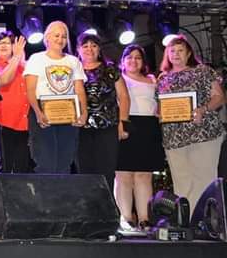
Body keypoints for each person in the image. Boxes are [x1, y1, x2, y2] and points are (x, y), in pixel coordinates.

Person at [156, 36, 225, 216]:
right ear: (167, 55)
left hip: (204, 133)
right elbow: (159, 105)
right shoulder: (163, 78)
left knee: (204, 179)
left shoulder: (203, 71)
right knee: (181, 182)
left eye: (180, 50)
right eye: (172, 51)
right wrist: (160, 112)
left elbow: (219, 97)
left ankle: (207, 220)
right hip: (173, 138)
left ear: (188, 53)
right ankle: (186, 221)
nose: (176, 54)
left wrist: (203, 109)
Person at [24, 21, 87, 174]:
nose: (60, 39)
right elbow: (30, 89)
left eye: (64, 36)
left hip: (68, 113)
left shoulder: (73, 61)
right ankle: (45, 191)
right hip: (43, 112)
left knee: (65, 161)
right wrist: (38, 112)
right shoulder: (36, 59)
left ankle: (62, 190)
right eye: (56, 36)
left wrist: (84, 112)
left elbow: (79, 89)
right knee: (45, 161)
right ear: (47, 38)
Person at [115, 44, 164, 229]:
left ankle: (144, 219)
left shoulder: (152, 79)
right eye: (129, 57)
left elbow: (160, 103)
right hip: (126, 124)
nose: (133, 61)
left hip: (148, 127)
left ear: (143, 62)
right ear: (123, 61)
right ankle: (126, 218)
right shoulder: (118, 78)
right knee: (123, 175)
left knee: (144, 175)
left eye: (137, 57)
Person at [76, 32, 130, 191]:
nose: (89, 49)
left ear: (99, 49)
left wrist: (123, 122)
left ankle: (106, 205)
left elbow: (124, 97)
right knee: (84, 172)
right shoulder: (73, 70)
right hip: (80, 129)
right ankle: (87, 205)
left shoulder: (110, 69)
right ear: (78, 49)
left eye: (94, 46)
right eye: (85, 46)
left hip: (108, 127)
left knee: (106, 171)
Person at [0, 31, 31, 173]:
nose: (3, 45)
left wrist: (20, 60)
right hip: (4, 121)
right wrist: (16, 57)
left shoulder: (24, 66)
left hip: (25, 122)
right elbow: (3, 80)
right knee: (5, 167)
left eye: (7, 43)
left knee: (23, 168)